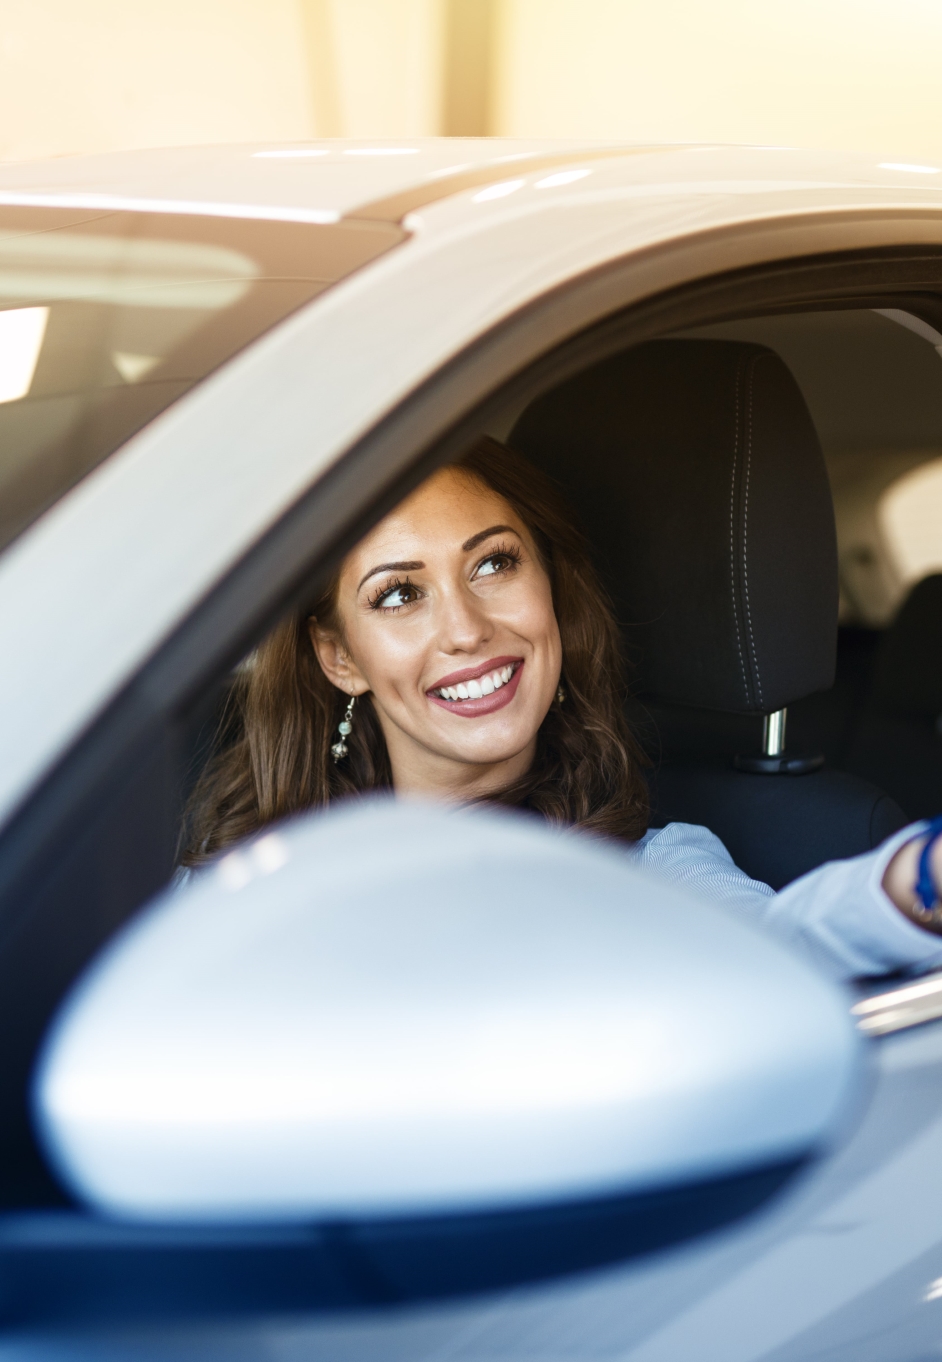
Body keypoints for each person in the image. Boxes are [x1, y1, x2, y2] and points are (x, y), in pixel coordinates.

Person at [182, 437, 942, 982]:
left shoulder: (644, 872)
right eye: (400, 594)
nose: (467, 629)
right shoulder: (237, 881)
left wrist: (917, 881)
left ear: (551, 590)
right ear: (339, 657)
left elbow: (771, 950)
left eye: (493, 563)